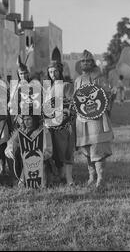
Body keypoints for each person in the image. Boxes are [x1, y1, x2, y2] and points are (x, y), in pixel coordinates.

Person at [74, 49, 114, 190]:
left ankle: (101, 179)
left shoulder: (100, 77)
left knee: (97, 148)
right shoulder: (78, 80)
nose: (86, 63)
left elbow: (107, 95)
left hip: (97, 119)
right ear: (80, 63)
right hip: (82, 120)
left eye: (88, 61)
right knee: (87, 149)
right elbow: (76, 99)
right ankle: (91, 177)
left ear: (92, 62)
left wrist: (108, 96)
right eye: (83, 61)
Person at [44, 60, 76, 186]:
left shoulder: (66, 85)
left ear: (60, 71)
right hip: (50, 124)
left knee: (66, 151)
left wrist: (65, 114)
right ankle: (60, 175)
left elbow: (71, 104)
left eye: (55, 71)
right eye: (50, 72)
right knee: (55, 152)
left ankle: (69, 179)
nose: (53, 74)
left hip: (64, 124)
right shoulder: (47, 88)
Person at [5, 114, 55, 187]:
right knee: (11, 156)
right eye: (24, 120)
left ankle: (34, 182)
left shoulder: (43, 130)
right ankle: (16, 180)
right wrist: (10, 149)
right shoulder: (22, 130)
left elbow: (48, 148)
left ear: (34, 120)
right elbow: (12, 142)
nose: (26, 122)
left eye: (29, 119)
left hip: (39, 158)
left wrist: (37, 155)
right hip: (23, 157)